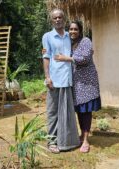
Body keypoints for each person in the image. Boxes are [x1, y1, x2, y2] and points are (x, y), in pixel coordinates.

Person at [54, 21, 101, 153]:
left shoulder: (85, 41)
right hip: (75, 83)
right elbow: (57, 53)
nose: (73, 31)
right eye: (71, 29)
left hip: (87, 82)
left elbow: (85, 59)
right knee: (79, 110)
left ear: (80, 31)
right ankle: (82, 134)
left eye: (75, 29)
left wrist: (67, 58)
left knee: (85, 111)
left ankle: (85, 139)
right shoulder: (69, 43)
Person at [42, 9, 80, 153]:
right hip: (55, 80)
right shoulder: (47, 36)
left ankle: (67, 140)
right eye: (54, 18)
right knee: (53, 112)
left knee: (67, 112)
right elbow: (45, 58)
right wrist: (47, 77)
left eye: (60, 17)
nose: (57, 20)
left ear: (64, 19)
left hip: (68, 80)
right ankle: (52, 141)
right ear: (51, 21)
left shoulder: (69, 37)